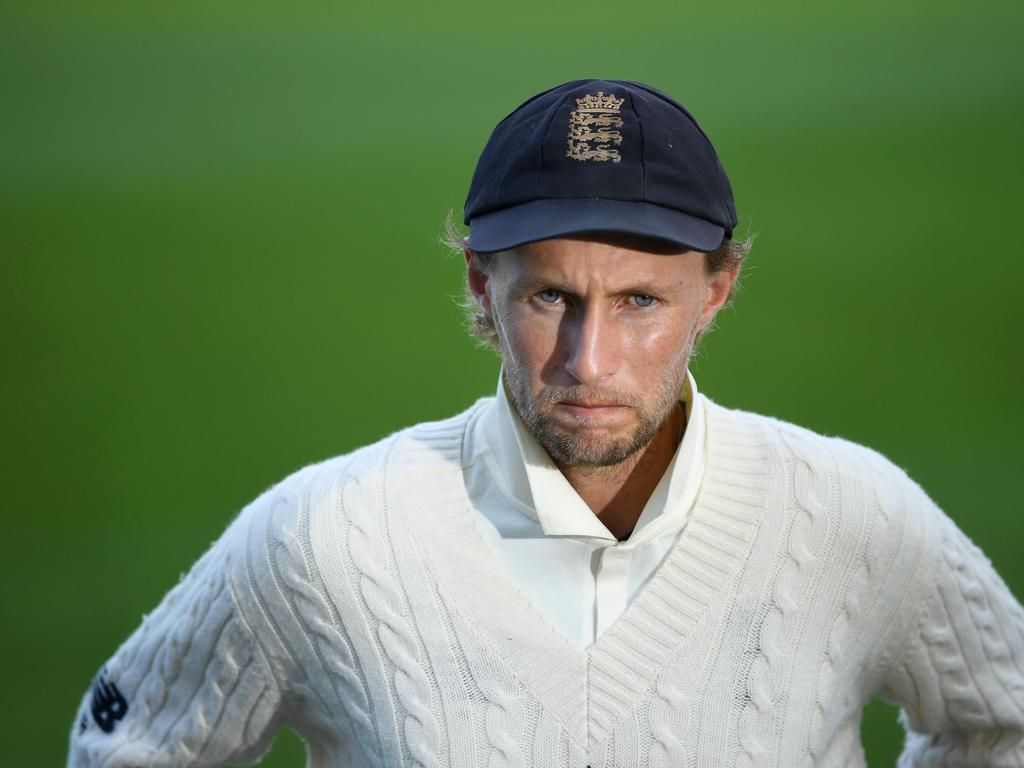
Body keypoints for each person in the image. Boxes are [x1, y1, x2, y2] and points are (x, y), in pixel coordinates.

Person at [68, 79, 1024, 768]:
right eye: (551, 299)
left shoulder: (852, 516)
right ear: (483, 285)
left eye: (642, 301)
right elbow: (127, 746)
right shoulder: (327, 538)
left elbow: (1003, 719)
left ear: (716, 292)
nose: (590, 363)